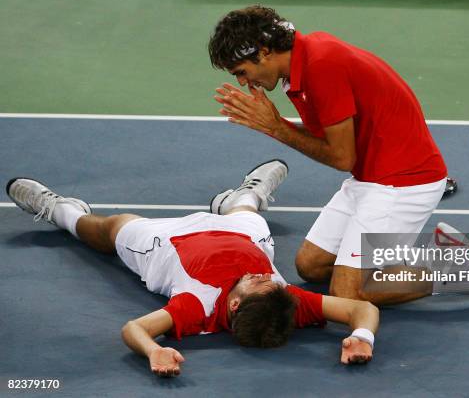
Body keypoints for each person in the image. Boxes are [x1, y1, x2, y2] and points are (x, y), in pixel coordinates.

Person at [6, 160, 379, 378]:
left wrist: (152, 350)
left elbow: (134, 328)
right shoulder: (284, 302)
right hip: (241, 236)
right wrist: (363, 335)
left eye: (258, 284)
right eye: (269, 282)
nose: (265, 277)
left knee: (110, 227)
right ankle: (245, 195)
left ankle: (61, 211)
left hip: (166, 241)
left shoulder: (196, 307)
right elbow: (363, 308)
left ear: (233, 306)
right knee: (247, 216)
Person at [208, 5, 451, 304]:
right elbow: (330, 138)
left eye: (242, 72)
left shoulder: (322, 66)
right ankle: (413, 256)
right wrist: (276, 126)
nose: (243, 83)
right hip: (370, 176)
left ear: (264, 51)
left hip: (403, 182)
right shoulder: (300, 65)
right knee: (311, 266)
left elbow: (340, 158)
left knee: (348, 293)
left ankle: (458, 266)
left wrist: (276, 128)